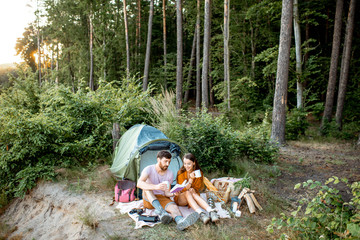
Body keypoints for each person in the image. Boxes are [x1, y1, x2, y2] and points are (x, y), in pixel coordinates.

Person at [137, 150, 199, 231]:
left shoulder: (170, 173)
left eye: (169, 162)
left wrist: (173, 194)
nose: (167, 164)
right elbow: (139, 183)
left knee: (174, 207)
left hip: (162, 198)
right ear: (158, 159)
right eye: (165, 161)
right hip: (149, 199)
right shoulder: (148, 169)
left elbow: (167, 193)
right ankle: (162, 212)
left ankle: (181, 222)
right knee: (147, 188)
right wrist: (156, 187)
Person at [174, 153, 219, 224]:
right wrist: (191, 180)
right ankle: (201, 213)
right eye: (185, 163)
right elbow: (182, 189)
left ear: (194, 163)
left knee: (192, 191)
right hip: (181, 198)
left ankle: (210, 212)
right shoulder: (181, 173)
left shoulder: (198, 173)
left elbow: (198, 187)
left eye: (189, 164)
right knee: (188, 192)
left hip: (193, 195)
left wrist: (193, 189)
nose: (186, 166)